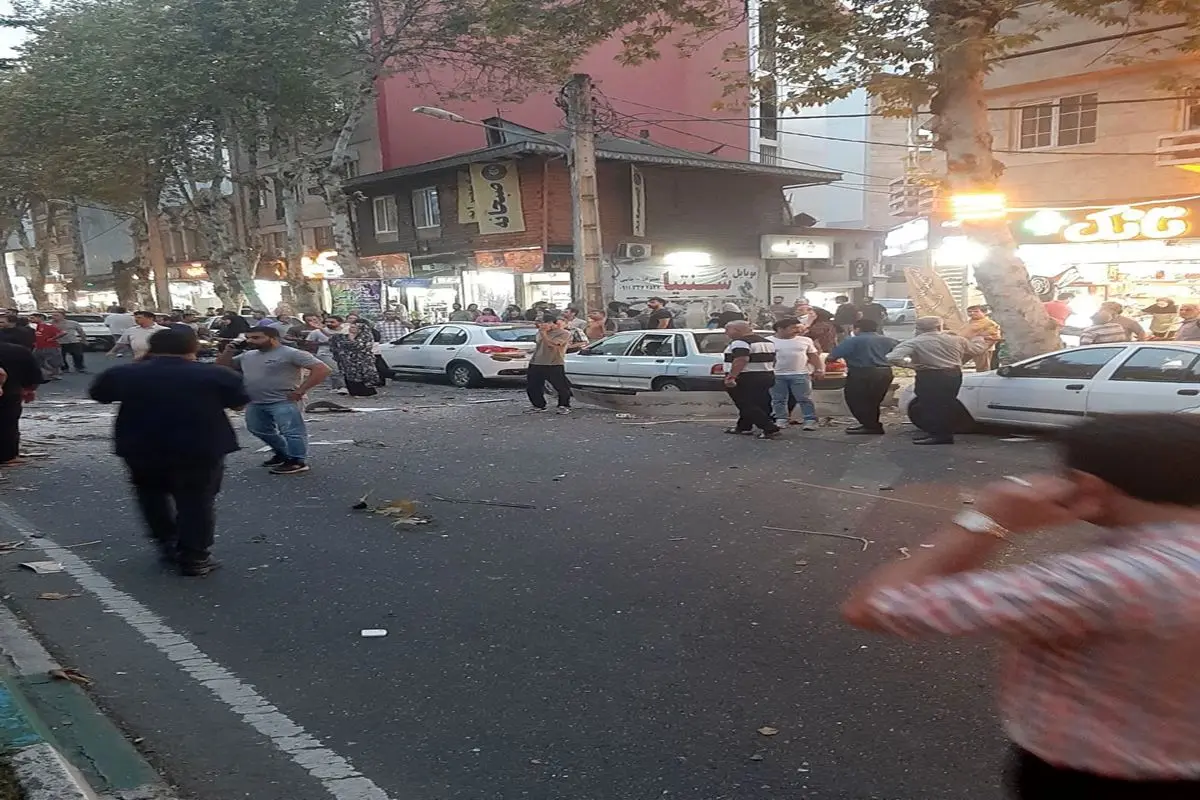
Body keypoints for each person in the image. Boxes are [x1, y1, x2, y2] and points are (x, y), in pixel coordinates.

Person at [842, 412, 1200, 800]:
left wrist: (988, 518)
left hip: (1093, 776)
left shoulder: (1100, 581)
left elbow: (876, 606)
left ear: (1088, 486)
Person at [89, 329, 248, 577]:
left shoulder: (124, 373)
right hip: (200, 446)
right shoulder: (217, 374)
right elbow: (238, 403)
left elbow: (100, 395)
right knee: (197, 499)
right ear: (193, 347)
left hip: (142, 445)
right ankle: (195, 556)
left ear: (151, 347)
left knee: (151, 495)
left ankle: (167, 542)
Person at [216, 327, 330, 475]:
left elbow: (322, 369)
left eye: (256, 338)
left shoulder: (291, 353)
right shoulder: (248, 355)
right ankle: (283, 453)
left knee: (292, 431)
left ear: (273, 338)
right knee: (258, 429)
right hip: (255, 400)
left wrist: (301, 390)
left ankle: (297, 461)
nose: (250, 341)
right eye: (248, 338)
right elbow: (222, 367)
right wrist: (228, 350)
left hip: (283, 400)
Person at [886, 316, 988, 446]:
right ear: (940, 326)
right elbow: (977, 350)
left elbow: (893, 357)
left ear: (918, 328)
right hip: (953, 375)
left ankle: (938, 434)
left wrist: (910, 365)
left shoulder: (915, 342)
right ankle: (943, 433)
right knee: (947, 404)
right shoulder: (957, 339)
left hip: (930, 375)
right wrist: (979, 338)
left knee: (930, 405)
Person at [830, 319, 899, 435]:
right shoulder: (889, 340)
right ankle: (872, 424)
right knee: (874, 401)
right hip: (885, 372)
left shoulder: (852, 340)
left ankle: (870, 426)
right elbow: (901, 353)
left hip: (862, 373)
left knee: (857, 400)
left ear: (857, 329)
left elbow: (833, 356)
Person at [722, 320, 780, 439]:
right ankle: (744, 426)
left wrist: (732, 377)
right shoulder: (767, 342)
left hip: (745, 376)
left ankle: (769, 428)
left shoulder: (740, 342)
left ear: (737, 330)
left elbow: (741, 359)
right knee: (759, 402)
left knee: (745, 404)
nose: (725, 332)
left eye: (728, 329)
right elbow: (774, 359)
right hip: (766, 374)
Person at [767, 317, 824, 431]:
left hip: (800, 374)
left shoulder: (805, 340)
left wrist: (819, 369)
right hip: (776, 374)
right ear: (780, 329)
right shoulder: (768, 341)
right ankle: (781, 419)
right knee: (778, 399)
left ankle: (810, 420)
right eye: (793, 328)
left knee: (804, 398)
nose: (797, 330)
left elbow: (813, 356)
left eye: (798, 327)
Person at [0, 341, 40, 465]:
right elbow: (33, 375)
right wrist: (29, 389)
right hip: (10, 394)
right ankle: (7, 456)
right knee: (7, 424)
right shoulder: (19, 351)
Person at [526, 315, 573, 414]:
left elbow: (552, 345)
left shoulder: (564, 333)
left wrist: (544, 334)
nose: (541, 325)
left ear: (551, 323)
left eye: (543, 323)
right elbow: (540, 345)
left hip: (553, 362)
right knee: (533, 386)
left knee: (560, 385)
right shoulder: (539, 332)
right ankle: (538, 405)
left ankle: (564, 405)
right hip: (536, 361)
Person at [329, 322, 380, 397]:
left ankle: (365, 392)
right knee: (349, 376)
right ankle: (353, 392)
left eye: (354, 327)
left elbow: (358, 346)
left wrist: (351, 338)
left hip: (362, 360)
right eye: (351, 327)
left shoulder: (365, 336)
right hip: (347, 360)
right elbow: (334, 344)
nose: (351, 329)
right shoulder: (342, 336)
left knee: (362, 376)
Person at [958, 305, 1002, 372]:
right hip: (966, 347)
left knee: (982, 368)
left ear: (984, 312)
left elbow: (995, 337)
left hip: (982, 348)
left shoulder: (989, 323)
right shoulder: (969, 322)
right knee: (957, 362)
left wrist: (982, 343)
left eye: (976, 311)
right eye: (969, 312)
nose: (972, 313)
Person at [27, 313, 63, 380]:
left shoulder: (47, 325)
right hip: (38, 346)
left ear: (40, 318)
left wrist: (52, 339)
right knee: (37, 360)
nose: (30, 319)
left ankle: (56, 374)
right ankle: (49, 372)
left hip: (50, 346)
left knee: (53, 361)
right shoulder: (38, 326)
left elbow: (63, 332)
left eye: (33, 318)